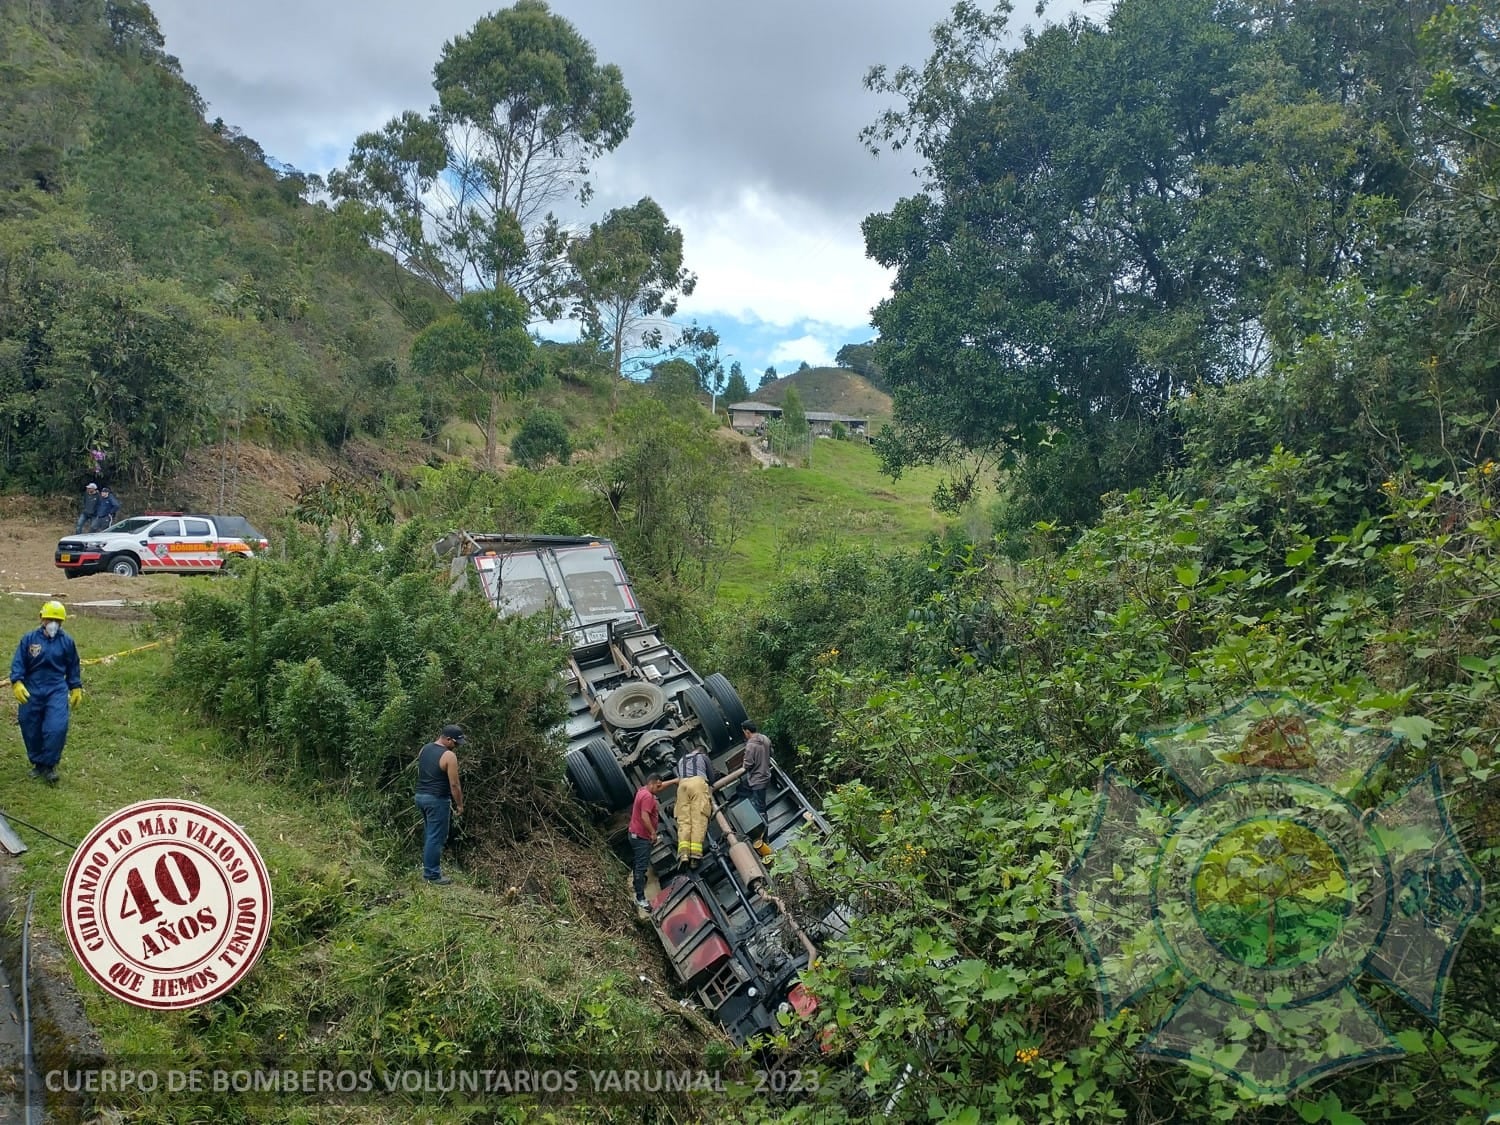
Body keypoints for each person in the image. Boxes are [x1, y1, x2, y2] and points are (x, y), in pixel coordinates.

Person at [10, 601, 83, 783]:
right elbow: (19, 662)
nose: (53, 624)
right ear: (42, 618)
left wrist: (75, 686)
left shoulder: (67, 642)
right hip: (32, 688)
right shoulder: (29, 639)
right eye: (49, 619)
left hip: (56, 688)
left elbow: (73, 665)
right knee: (30, 726)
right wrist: (17, 682)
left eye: (57, 621)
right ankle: (38, 764)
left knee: (56, 727)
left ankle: (50, 766)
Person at [414, 724, 465, 885]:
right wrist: (460, 805)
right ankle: (432, 875)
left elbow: (423, 770)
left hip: (421, 796)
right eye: (456, 743)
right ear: (448, 739)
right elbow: (455, 785)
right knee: (436, 837)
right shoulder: (449, 756)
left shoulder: (424, 749)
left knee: (430, 834)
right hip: (437, 800)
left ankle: (429, 869)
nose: (457, 747)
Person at [628, 776, 677, 912]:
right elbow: (644, 817)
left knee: (639, 862)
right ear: (652, 784)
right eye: (658, 786)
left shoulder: (643, 790)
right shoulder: (648, 797)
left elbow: (658, 786)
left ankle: (637, 883)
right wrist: (653, 833)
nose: (660, 789)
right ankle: (640, 899)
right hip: (641, 837)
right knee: (641, 867)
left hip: (634, 833)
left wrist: (674, 781)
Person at [675, 744, 716, 868]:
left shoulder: (682, 759)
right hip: (697, 783)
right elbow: (711, 777)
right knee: (699, 819)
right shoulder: (703, 757)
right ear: (703, 752)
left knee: (684, 821)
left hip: (682, 786)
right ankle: (695, 856)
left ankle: (683, 854)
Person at [741, 721, 773, 821]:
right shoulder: (765, 738)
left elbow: (747, 764)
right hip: (766, 776)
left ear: (747, 731)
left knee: (761, 810)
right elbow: (771, 753)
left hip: (757, 781)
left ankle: (764, 834)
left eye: (744, 732)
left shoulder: (750, 745)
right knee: (743, 790)